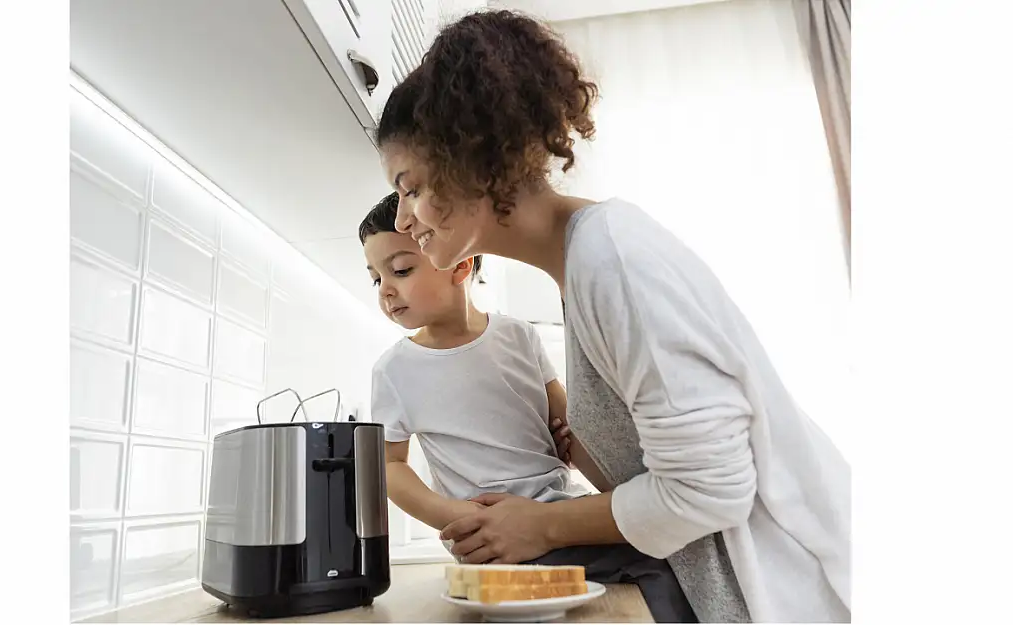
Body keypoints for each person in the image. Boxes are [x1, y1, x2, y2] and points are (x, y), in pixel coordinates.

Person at [372, 9, 851, 624]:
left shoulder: (612, 259)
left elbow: (711, 490)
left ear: (470, 157)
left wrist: (539, 524)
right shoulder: (581, 268)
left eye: (409, 188)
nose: (404, 220)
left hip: (791, 598)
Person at [360, 193, 697, 623]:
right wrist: (455, 516)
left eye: (401, 270)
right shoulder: (394, 370)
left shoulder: (519, 336)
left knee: (666, 554)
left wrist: (601, 471)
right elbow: (388, 465)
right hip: (489, 535)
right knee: (657, 564)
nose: (386, 290)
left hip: (558, 510)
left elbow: (570, 425)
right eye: (375, 278)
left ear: (461, 265)